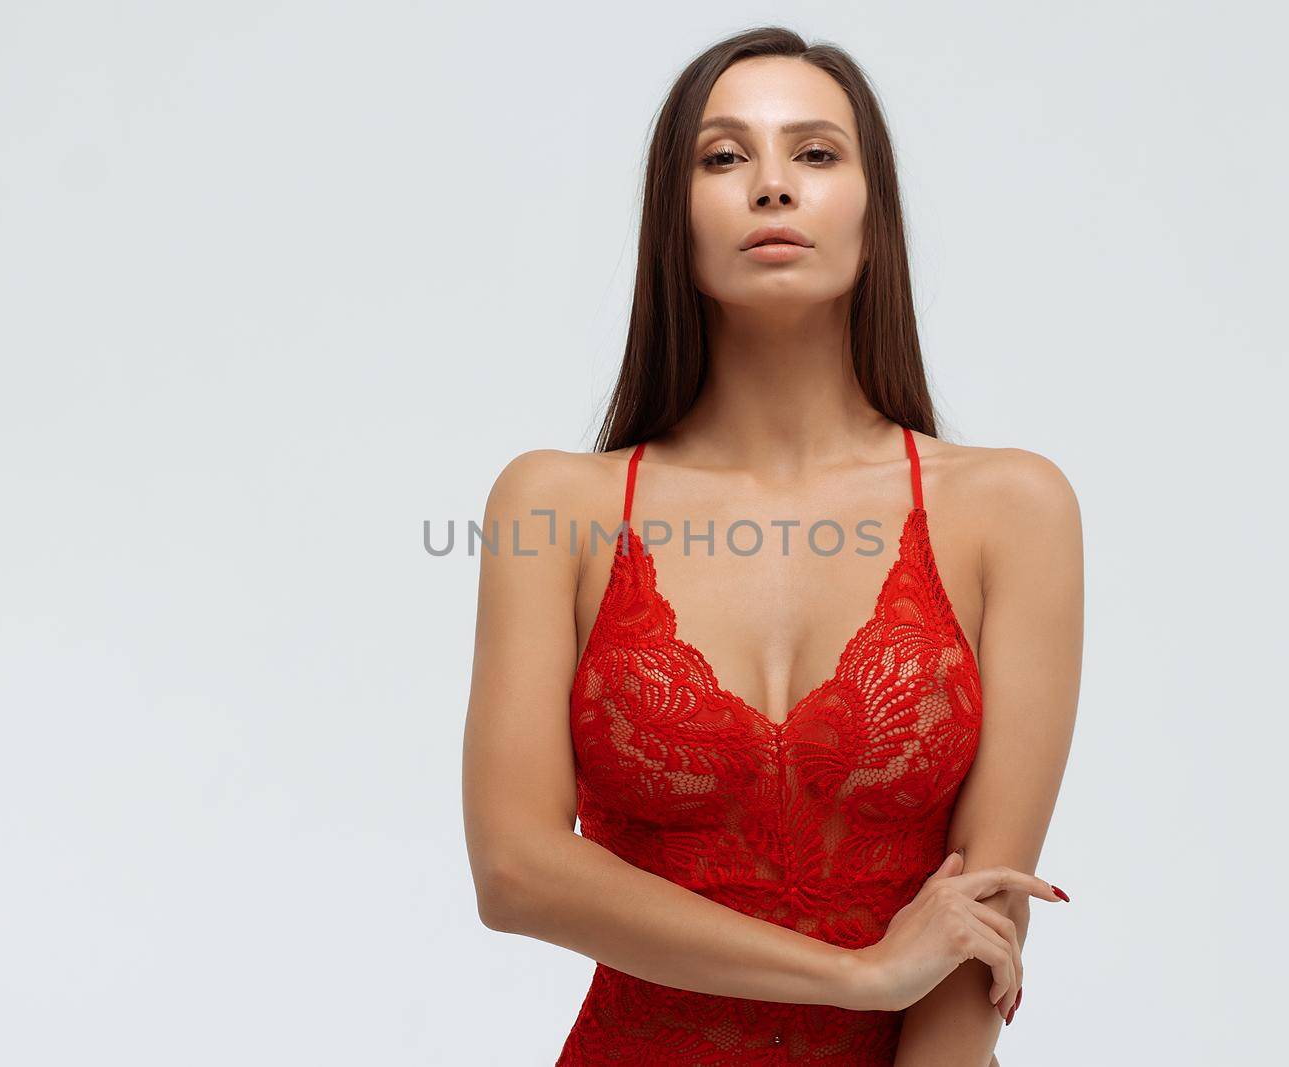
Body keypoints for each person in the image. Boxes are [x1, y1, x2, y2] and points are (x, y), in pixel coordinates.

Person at [462, 26, 1082, 1066]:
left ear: (873, 217)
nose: (770, 186)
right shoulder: (555, 507)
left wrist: (909, 980)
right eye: (722, 156)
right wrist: (857, 972)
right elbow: (514, 869)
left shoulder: (1010, 509)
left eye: (815, 153)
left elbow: (977, 929)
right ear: (675, 224)